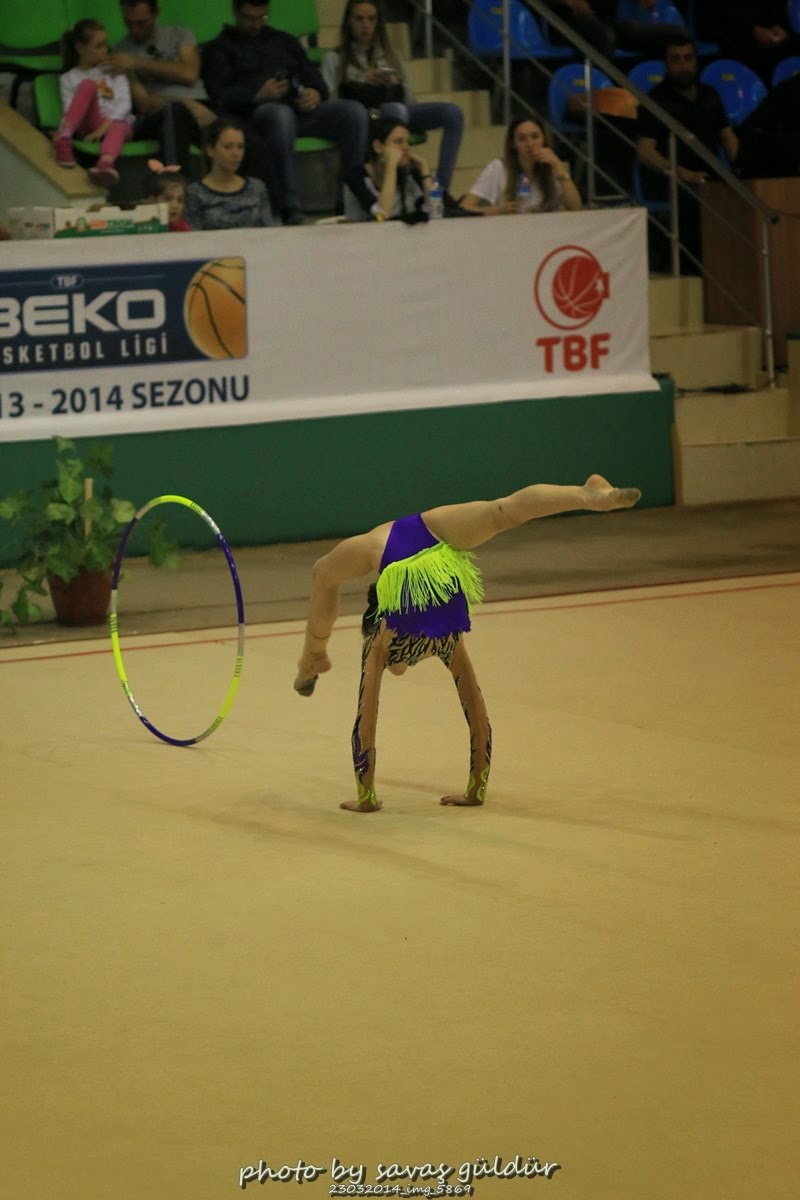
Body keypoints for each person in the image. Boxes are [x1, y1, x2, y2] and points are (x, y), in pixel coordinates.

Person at [293, 474, 642, 813]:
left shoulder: (381, 640)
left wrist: (366, 796)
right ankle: (586, 494)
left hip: (402, 566)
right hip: (432, 533)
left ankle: (313, 657)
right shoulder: (446, 636)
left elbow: (365, 721)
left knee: (324, 572)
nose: (404, 668)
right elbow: (477, 713)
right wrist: (475, 791)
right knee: (501, 512)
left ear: (377, 621)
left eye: (399, 667)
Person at [201, 0, 368, 226]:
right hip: (254, 115)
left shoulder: (284, 41)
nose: (255, 24)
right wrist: (256, 95)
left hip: (299, 110)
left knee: (354, 112)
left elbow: (314, 77)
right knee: (279, 115)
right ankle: (289, 205)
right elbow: (218, 94)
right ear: (236, 12)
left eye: (261, 18)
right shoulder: (218, 48)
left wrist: (315, 92)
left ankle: (349, 200)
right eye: (249, 18)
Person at [322, 0, 463, 198]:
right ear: (348, 22)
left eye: (371, 19)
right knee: (395, 110)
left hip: (399, 110)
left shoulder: (391, 55)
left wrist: (395, 84)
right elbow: (332, 102)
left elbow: (408, 99)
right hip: (369, 116)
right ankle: (400, 185)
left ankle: (441, 191)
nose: (366, 25)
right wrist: (362, 78)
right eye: (359, 19)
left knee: (452, 113)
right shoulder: (335, 58)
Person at [637, 36, 738, 271]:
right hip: (672, 180)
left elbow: (727, 137)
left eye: (689, 58)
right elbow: (645, 152)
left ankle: (730, 269)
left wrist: (742, 171)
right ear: (666, 64)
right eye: (676, 60)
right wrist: (683, 173)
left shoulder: (710, 95)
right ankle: (697, 271)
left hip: (710, 177)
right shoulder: (654, 101)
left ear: (696, 61)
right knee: (695, 202)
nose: (683, 66)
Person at [109, 0, 216, 172]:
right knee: (173, 112)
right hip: (160, 113)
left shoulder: (180, 34)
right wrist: (187, 104)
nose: (134, 29)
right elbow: (143, 103)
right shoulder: (121, 52)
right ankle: (175, 183)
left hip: (203, 107)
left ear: (156, 13)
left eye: (141, 23)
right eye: (128, 22)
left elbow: (190, 74)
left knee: (237, 134)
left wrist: (137, 62)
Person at [54, 18, 135, 189]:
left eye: (105, 44)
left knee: (119, 126)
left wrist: (104, 127)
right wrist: (63, 128)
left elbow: (125, 103)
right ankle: (65, 137)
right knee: (88, 84)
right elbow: (70, 110)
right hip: (90, 124)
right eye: (98, 46)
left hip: (115, 122)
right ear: (80, 48)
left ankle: (105, 165)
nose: (105, 50)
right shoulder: (68, 78)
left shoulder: (113, 70)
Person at [460, 115, 582, 214]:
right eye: (522, 139)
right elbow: (464, 208)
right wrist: (497, 210)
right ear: (513, 143)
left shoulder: (552, 166)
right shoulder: (497, 168)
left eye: (535, 137)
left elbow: (575, 207)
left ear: (544, 139)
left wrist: (559, 167)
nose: (530, 144)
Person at [184, 117, 273, 230]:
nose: (236, 154)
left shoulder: (256, 188)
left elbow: (269, 232)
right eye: (228, 147)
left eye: (240, 147)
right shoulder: (196, 192)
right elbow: (192, 236)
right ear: (210, 150)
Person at [343, 115, 431, 221]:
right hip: (362, 231)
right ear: (378, 147)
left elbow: (436, 211)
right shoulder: (355, 177)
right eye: (399, 142)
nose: (406, 148)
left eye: (408, 142)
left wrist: (425, 170)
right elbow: (382, 215)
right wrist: (391, 167)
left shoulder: (408, 172)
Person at [700, 0, 800, 84]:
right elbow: (720, 11)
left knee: (791, 43)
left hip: (764, 26)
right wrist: (752, 29)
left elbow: (776, 5)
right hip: (730, 27)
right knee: (760, 55)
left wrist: (777, 25)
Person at [546, 0, 689, 59]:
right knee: (604, 36)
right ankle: (606, 93)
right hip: (567, 23)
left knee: (676, 34)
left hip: (609, 23)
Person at [143, 160, 191, 229]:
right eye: (167, 199)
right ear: (151, 200)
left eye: (180, 200)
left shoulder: (183, 228)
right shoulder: (141, 226)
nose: (175, 206)